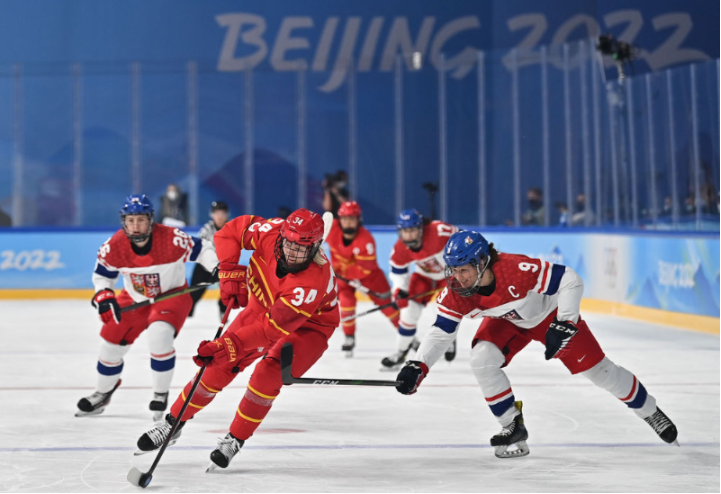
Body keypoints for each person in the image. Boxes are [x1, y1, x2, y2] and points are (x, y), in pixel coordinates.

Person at [395, 230, 679, 458]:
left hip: (549, 316)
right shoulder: (458, 292)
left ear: (482, 262)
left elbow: (570, 279)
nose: (457, 278)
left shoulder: (515, 269)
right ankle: (512, 425)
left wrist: (566, 322)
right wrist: (418, 365)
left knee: (600, 372)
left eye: (463, 270)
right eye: (453, 270)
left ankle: (650, 412)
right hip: (507, 321)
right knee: (481, 359)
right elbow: (441, 331)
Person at [134, 208, 340, 471]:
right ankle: (173, 423)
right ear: (281, 235)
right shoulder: (269, 232)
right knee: (218, 365)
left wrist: (227, 344)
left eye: (300, 249)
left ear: (314, 249)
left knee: (267, 375)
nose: (291, 252)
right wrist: (229, 269)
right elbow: (228, 233)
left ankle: (235, 438)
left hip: (309, 328)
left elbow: (269, 330)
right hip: (262, 309)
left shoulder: (310, 283)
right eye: (288, 243)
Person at [76, 194, 218, 420]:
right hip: (134, 298)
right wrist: (104, 296)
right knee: (110, 347)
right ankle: (102, 393)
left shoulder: (172, 239)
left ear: (151, 220)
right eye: (131, 220)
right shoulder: (114, 247)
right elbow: (103, 275)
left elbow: (203, 248)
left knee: (159, 337)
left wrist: (216, 266)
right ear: (124, 222)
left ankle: (160, 394)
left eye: (141, 220)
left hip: (171, 296)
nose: (136, 226)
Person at [384, 208, 458, 368]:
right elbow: (398, 271)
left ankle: (449, 339)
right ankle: (400, 351)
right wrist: (399, 290)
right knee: (408, 313)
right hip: (424, 277)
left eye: (412, 230)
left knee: (446, 312)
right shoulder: (399, 248)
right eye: (405, 231)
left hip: (450, 277)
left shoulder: (439, 231)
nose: (409, 235)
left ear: (421, 228)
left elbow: (464, 239)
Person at [325, 201, 399, 355]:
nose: (348, 222)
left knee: (388, 307)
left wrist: (339, 272)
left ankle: (407, 334)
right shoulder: (332, 229)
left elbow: (365, 271)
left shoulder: (366, 240)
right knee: (346, 302)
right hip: (343, 277)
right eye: (345, 218)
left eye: (352, 218)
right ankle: (349, 337)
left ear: (358, 219)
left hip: (370, 278)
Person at [189, 200, 231, 319]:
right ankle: (186, 313)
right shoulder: (206, 230)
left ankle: (223, 311)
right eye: (217, 213)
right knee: (194, 293)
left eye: (222, 213)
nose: (219, 217)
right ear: (212, 215)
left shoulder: (233, 228)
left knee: (229, 290)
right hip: (204, 266)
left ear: (227, 214)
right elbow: (200, 251)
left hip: (224, 266)